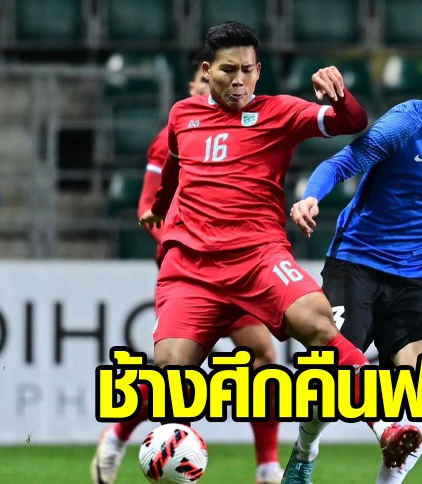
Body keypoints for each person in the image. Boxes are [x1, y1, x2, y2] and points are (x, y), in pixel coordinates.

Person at [139, 21, 421, 484]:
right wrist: (159, 205)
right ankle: (179, 455)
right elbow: (174, 167)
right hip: (191, 268)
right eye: (228, 70)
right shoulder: (182, 115)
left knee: (317, 321)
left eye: (248, 70)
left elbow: (351, 123)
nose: (239, 80)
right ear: (207, 70)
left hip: (258, 258)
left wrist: (338, 96)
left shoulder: (278, 111)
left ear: (258, 70)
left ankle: (386, 426)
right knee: (170, 369)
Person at [290, 52, 422, 484]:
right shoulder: (405, 124)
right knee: (330, 376)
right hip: (355, 263)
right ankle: (305, 449)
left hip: (411, 277)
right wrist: (312, 196)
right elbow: (342, 162)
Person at [90, 57, 283, 484]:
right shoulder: (172, 137)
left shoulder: (240, 131)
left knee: (263, 356)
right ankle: (119, 435)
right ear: (197, 85)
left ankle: (268, 467)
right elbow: (148, 209)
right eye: (200, 82)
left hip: (235, 266)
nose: (206, 89)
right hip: (191, 271)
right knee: (180, 372)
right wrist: (187, 244)